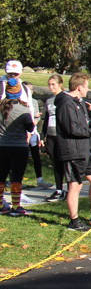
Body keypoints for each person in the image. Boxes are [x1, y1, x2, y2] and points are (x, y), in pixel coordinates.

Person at [55, 72, 91, 230]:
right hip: (73, 151)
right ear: (79, 87)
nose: (88, 90)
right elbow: (72, 129)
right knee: (75, 186)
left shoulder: (79, 103)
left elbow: (82, 124)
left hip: (85, 150)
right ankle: (74, 221)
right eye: (86, 86)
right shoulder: (66, 104)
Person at [5, 60, 49, 189]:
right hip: (5, 133)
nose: (13, 76)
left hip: (20, 133)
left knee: (17, 169)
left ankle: (16, 196)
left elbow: (29, 110)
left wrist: (31, 131)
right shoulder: (2, 85)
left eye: (16, 74)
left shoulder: (24, 89)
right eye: (11, 73)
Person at [0, 77, 35, 216]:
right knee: (16, 178)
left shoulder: (1, 108)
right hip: (19, 147)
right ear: (20, 93)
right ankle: (15, 206)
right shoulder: (24, 110)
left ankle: (1, 205)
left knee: (1, 176)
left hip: (2, 146)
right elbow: (30, 128)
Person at [40, 75, 67, 202]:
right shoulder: (49, 100)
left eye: (53, 84)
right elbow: (46, 119)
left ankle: (69, 189)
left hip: (62, 135)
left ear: (60, 84)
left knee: (64, 162)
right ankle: (59, 189)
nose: (51, 87)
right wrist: (43, 135)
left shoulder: (65, 98)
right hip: (51, 135)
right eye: (49, 84)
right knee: (55, 163)